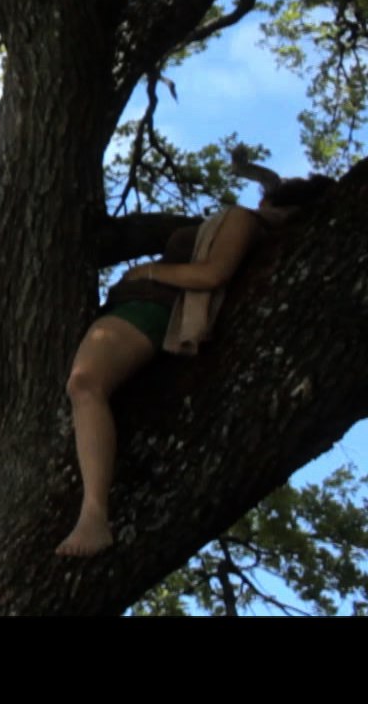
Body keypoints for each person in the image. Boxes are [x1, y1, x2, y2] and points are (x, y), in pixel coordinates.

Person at [54, 173, 335, 557]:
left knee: (84, 385)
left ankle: (93, 516)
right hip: (140, 308)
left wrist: (146, 271)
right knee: (87, 388)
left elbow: (211, 274)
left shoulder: (242, 218)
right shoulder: (270, 231)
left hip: (149, 305)